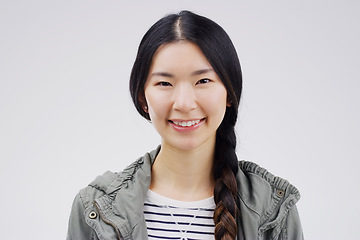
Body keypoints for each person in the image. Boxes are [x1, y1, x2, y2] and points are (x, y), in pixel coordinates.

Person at [67, 10, 303, 240]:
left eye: (203, 81)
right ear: (143, 98)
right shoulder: (95, 209)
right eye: (164, 83)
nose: (184, 103)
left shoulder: (274, 211)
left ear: (229, 94)